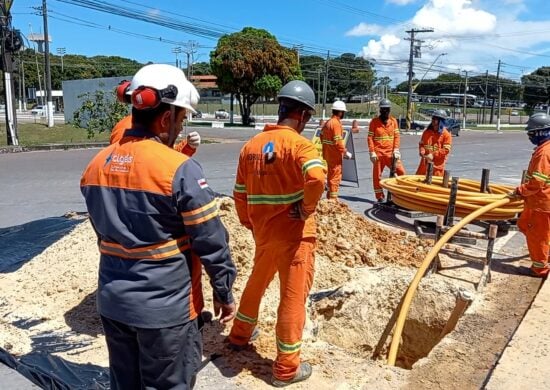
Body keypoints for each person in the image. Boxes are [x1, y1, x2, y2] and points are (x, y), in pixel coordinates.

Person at [80, 63, 237, 389]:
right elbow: (210, 240)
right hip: (165, 314)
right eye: (180, 119)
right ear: (166, 118)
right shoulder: (179, 169)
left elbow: (103, 233)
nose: (180, 128)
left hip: (113, 304)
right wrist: (223, 291)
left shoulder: (96, 166)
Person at [228, 80, 326, 387]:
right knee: (293, 297)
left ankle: (240, 334)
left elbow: (239, 193)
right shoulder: (300, 145)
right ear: (303, 115)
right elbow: (316, 177)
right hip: (296, 236)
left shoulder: (251, 146)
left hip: (264, 232)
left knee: (257, 282)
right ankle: (286, 369)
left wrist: (249, 222)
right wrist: (307, 208)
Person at [511, 112, 550, 278]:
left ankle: (539, 268)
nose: (529, 136)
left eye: (531, 132)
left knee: (537, 236)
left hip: (540, 203)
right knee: (525, 224)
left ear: (542, 132)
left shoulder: (543, 153)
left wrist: (519, 191)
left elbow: (536, 182)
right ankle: (545, 257)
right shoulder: (545, 148)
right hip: (538, 201)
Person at [367, 98, 405, 202]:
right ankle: (380, 197)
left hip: (390, 153)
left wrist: (396, 150)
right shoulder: (374, 122)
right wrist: (372, 152)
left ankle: (398, 194)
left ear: (390, 110)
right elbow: (370, 138)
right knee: (377, 176)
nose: (385, 111)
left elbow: (397, 136)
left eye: (387, 109)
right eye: (383, 109)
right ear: (380, 110)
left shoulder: (393, 122)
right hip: (378, 153)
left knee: (401, 172)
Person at [320, 100, 352, 199]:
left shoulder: (328, 123)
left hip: (328, 154)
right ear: (340, 112)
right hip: (335, 156)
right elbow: (338, 142)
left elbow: (321, 136)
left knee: (330, 177)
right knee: (335, 178)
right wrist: (345, 152)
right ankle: (333, 201)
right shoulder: (336, 124)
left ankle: (329, 197)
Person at [415, 109, 452, 176]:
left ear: (441, 121)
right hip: (424, 166)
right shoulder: (427, 132)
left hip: (437, 168)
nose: (433, 121)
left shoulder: (446, 135)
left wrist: (433, 154)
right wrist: (422, 151)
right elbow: (422, 144)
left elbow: (446, 150)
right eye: (433, 119)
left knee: (435, 185)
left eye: (435, 119)